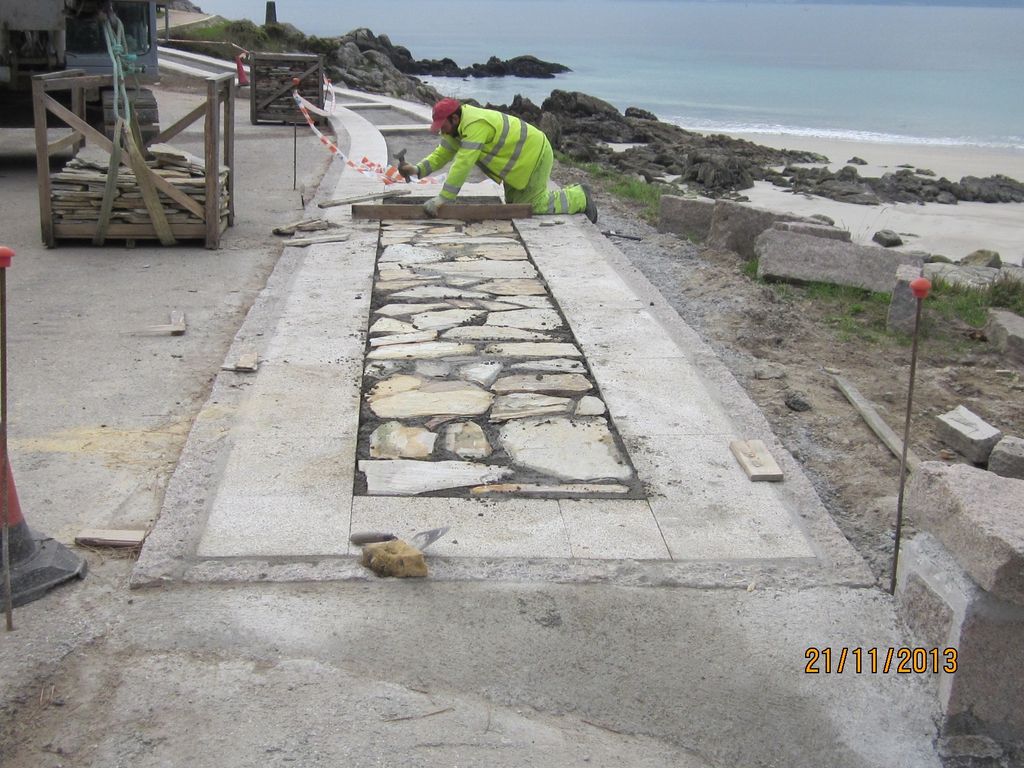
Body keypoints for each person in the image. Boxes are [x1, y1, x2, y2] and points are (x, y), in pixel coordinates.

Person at [399, 98, 597, 222]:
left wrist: (443, 199)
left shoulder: (475, 126)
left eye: (443, 126)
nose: (441, 130)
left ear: (455, 119)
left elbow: (463, 164)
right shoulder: (456, 129)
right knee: (515, 206)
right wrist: (416, 170)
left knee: (534, 206)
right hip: (518, 163)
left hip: (535, 154)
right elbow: (441, 154)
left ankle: (580, 196)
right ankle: (575, 192)